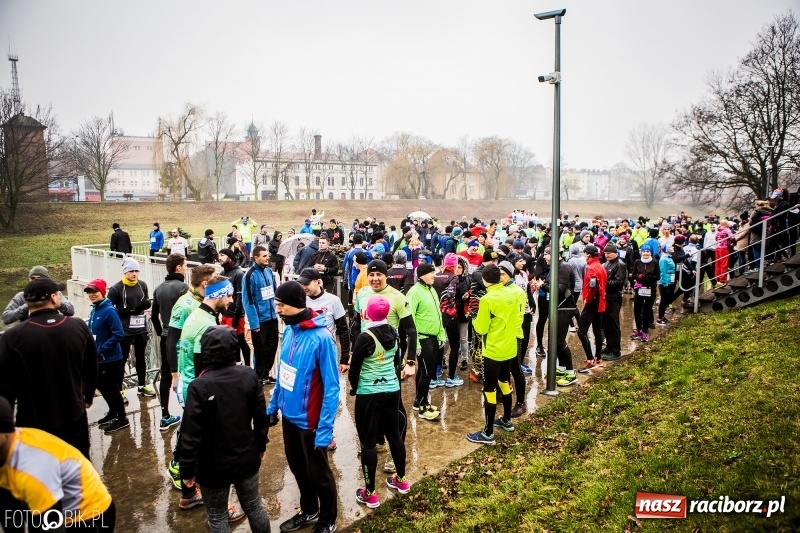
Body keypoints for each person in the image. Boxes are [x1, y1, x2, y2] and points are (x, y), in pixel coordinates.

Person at [180, 327, 270, 533]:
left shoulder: (199, 386)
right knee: (254, 506)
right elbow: (260, 417)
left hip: (212, 465)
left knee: (217, 516)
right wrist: (260, 445)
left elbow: (190, 434)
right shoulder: (249, 375)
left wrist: (187, 469)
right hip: (246, 456)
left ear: (205, 351)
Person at [268, 281, 340, 533]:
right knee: (298, 468)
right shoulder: (290, 331)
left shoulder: (322, 338)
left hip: (311, 421)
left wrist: (325, 428)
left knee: (319, 474)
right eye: (276, 304)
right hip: (289, 416)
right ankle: (309, 510)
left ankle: (328, 519)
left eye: (281, 305)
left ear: (297, 305)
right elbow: (283, 372)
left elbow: (332, 387)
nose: (277, 310)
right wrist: (273, 406)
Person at [0, 277, 97, 458]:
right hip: (74, 414)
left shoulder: (11, 337)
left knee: (39, 470)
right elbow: (91, 367)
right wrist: (88, 396)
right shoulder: (78, 326)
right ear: (53, 297)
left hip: (33, 422)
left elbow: (5, 387)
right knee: (77, 464)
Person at [0, 397, 116, 533]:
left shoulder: (33, 469)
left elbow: (50, 527)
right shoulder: (11, 445)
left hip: (89, 515)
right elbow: (8, 511)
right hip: (57, 504)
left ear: (5, 432)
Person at [175, 276, 234, 512]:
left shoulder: (198, 315)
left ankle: (188, 493)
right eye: (229, 296)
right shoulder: (205, 324)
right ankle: (218, 505)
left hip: (189, 387)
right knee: (210, 448)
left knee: (190, 438)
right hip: (200, 392)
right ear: (218, 295)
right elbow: (206, 367)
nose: (231, 301)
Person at [349, 295, 411, 509]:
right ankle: (401, 481)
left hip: (369, 393)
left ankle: (370, 493)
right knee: (394, 436)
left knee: (368, 444)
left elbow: (354, 369)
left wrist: (354, 388)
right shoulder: (394, 333)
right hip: (392, 390)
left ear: (367, 313)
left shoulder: (365, 337)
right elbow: (396, 361)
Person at [164, 264, 215, 491]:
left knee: (195, 425)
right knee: (190, 426)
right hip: (188, 375)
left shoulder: (202, 302)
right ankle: (178, 466)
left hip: (200, 375)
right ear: (205, 283)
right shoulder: (184, 305)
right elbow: (171, 339)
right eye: (214, 280)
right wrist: (174, 374)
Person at [466, 264, 518, 446]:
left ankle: (488, 432)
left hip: (493, 350)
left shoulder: (487, 299)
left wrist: (474, 318)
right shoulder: (512, 293)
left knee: (489, 389)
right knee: (504, 382)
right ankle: (507, 420)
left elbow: (481, 328)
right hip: (510, 347)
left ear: (484, 280)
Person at [85, 279, 129, 435]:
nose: (92, 294)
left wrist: (101, 349)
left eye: (95, 291)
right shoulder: (95, 309)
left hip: (110, 358)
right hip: (99, 357)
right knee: (102, 386)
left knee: (111, 388)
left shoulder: (109, 310)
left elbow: (119, 333)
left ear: (103, 292)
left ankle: (122, 418)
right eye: (89, 292)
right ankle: (113, 411)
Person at [106, 258, 155, 397]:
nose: (134, 273)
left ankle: (142, 386)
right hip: (125, 329)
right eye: (131, 271)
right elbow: (109, 309)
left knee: (141, 358)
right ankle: (119, 390)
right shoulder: (116, 288)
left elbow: (145, 300)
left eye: (136, 271)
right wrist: (129, 311)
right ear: (125, 272)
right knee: (121, 360)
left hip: (140, 328)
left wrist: (145, 304)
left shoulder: (142, 285)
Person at [151, 254, 189, 430]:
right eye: (185, 265)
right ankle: (190, 412)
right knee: (187, 373)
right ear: (178, 268)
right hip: (182, 337)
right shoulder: (183, 288)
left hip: (166, 337)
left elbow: (154, 316)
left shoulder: (159, 289)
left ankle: (165, 415)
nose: (186, 268)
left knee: (165, 375)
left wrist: (162, 333)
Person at [406, 262, 445, 419]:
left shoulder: (431, 289)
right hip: (423, 339)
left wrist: (441, 334)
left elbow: (438, 314)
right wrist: (415, 343)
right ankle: (423, 407)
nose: (434, 275)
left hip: (433, 338)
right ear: (422, 275)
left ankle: (418, 401)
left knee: (424, 372)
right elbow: (409, 319)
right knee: (427, 373)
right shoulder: (414, 292)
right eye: (431, 273)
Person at [298, 268, 351, 371]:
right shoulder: (300, 300)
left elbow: (343, 330)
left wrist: (344, 359)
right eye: (301, 284)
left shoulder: (333, 300)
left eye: (307, 284)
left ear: (318, 282)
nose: (303, 287)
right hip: (305, 351)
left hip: (327, 351)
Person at [243, 246, 280, 384]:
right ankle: (258, 376)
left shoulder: (269, 272)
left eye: (267, 255)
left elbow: (275, 293)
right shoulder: (250, 275)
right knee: (260, 350)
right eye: (264, 256)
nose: (267, 258)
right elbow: (248, 301)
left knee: (272, 347)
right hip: (259, 320)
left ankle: (266, 374)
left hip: (272, 317)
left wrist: (278, 311)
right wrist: (254, 323)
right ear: (256, 258)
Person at [3, 265, 75, 325]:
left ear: (46, 280)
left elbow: (71, 311)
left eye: (39, 278)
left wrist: (57, 303)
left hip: (51, 326)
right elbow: (6, 318)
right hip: (29, 330)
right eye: (32, 278)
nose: (35, 281)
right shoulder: (22, 296)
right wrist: (28, 305)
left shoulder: (54, 293)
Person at [577, 244, 607, 373]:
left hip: (592, 303)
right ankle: (598, 358)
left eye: (584, 254)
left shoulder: (591, 268)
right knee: (597, 330)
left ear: (588, 255)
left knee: (581, 331)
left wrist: (587, 299)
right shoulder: (600, 266)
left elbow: (592, 286)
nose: (584, 256)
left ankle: (590, 360)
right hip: (600, 302)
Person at [218, 249, 251, 367]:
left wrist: (237, 315)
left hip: (235, 315)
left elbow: (240, 295)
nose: (219, 258)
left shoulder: (238, 274)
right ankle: (236, 365)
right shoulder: (222, 273)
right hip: (225, 314)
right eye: (219, 255)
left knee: (240, 341)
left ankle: (247, 366)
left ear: (230, 258)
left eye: (222, 255)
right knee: (230, 342)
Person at [601, 243, 627, 361]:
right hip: (606, 297)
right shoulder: (607, 263)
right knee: (606, 324)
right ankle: (609, 346)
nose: (607, 255)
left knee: (613, 324)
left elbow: (619, 282)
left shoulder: (620, 264)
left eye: (609, 253)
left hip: (614, 297)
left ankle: (616, 351)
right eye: (605, 253)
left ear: (615, 253)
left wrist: (603, 282)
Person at [630, 248, 660, 343]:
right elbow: (633, 275)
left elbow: (658, 276)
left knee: (647, 311)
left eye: (647, 252)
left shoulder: (654, 262)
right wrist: (638, 276)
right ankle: (638, 329)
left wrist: (648, 276)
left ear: (650, 253)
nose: (646, 253)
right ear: (641, 253)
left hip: (650, 289)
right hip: (639, 289)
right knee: (637, 310)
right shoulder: (637, 262)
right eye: (644, 252)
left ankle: (644, 331)